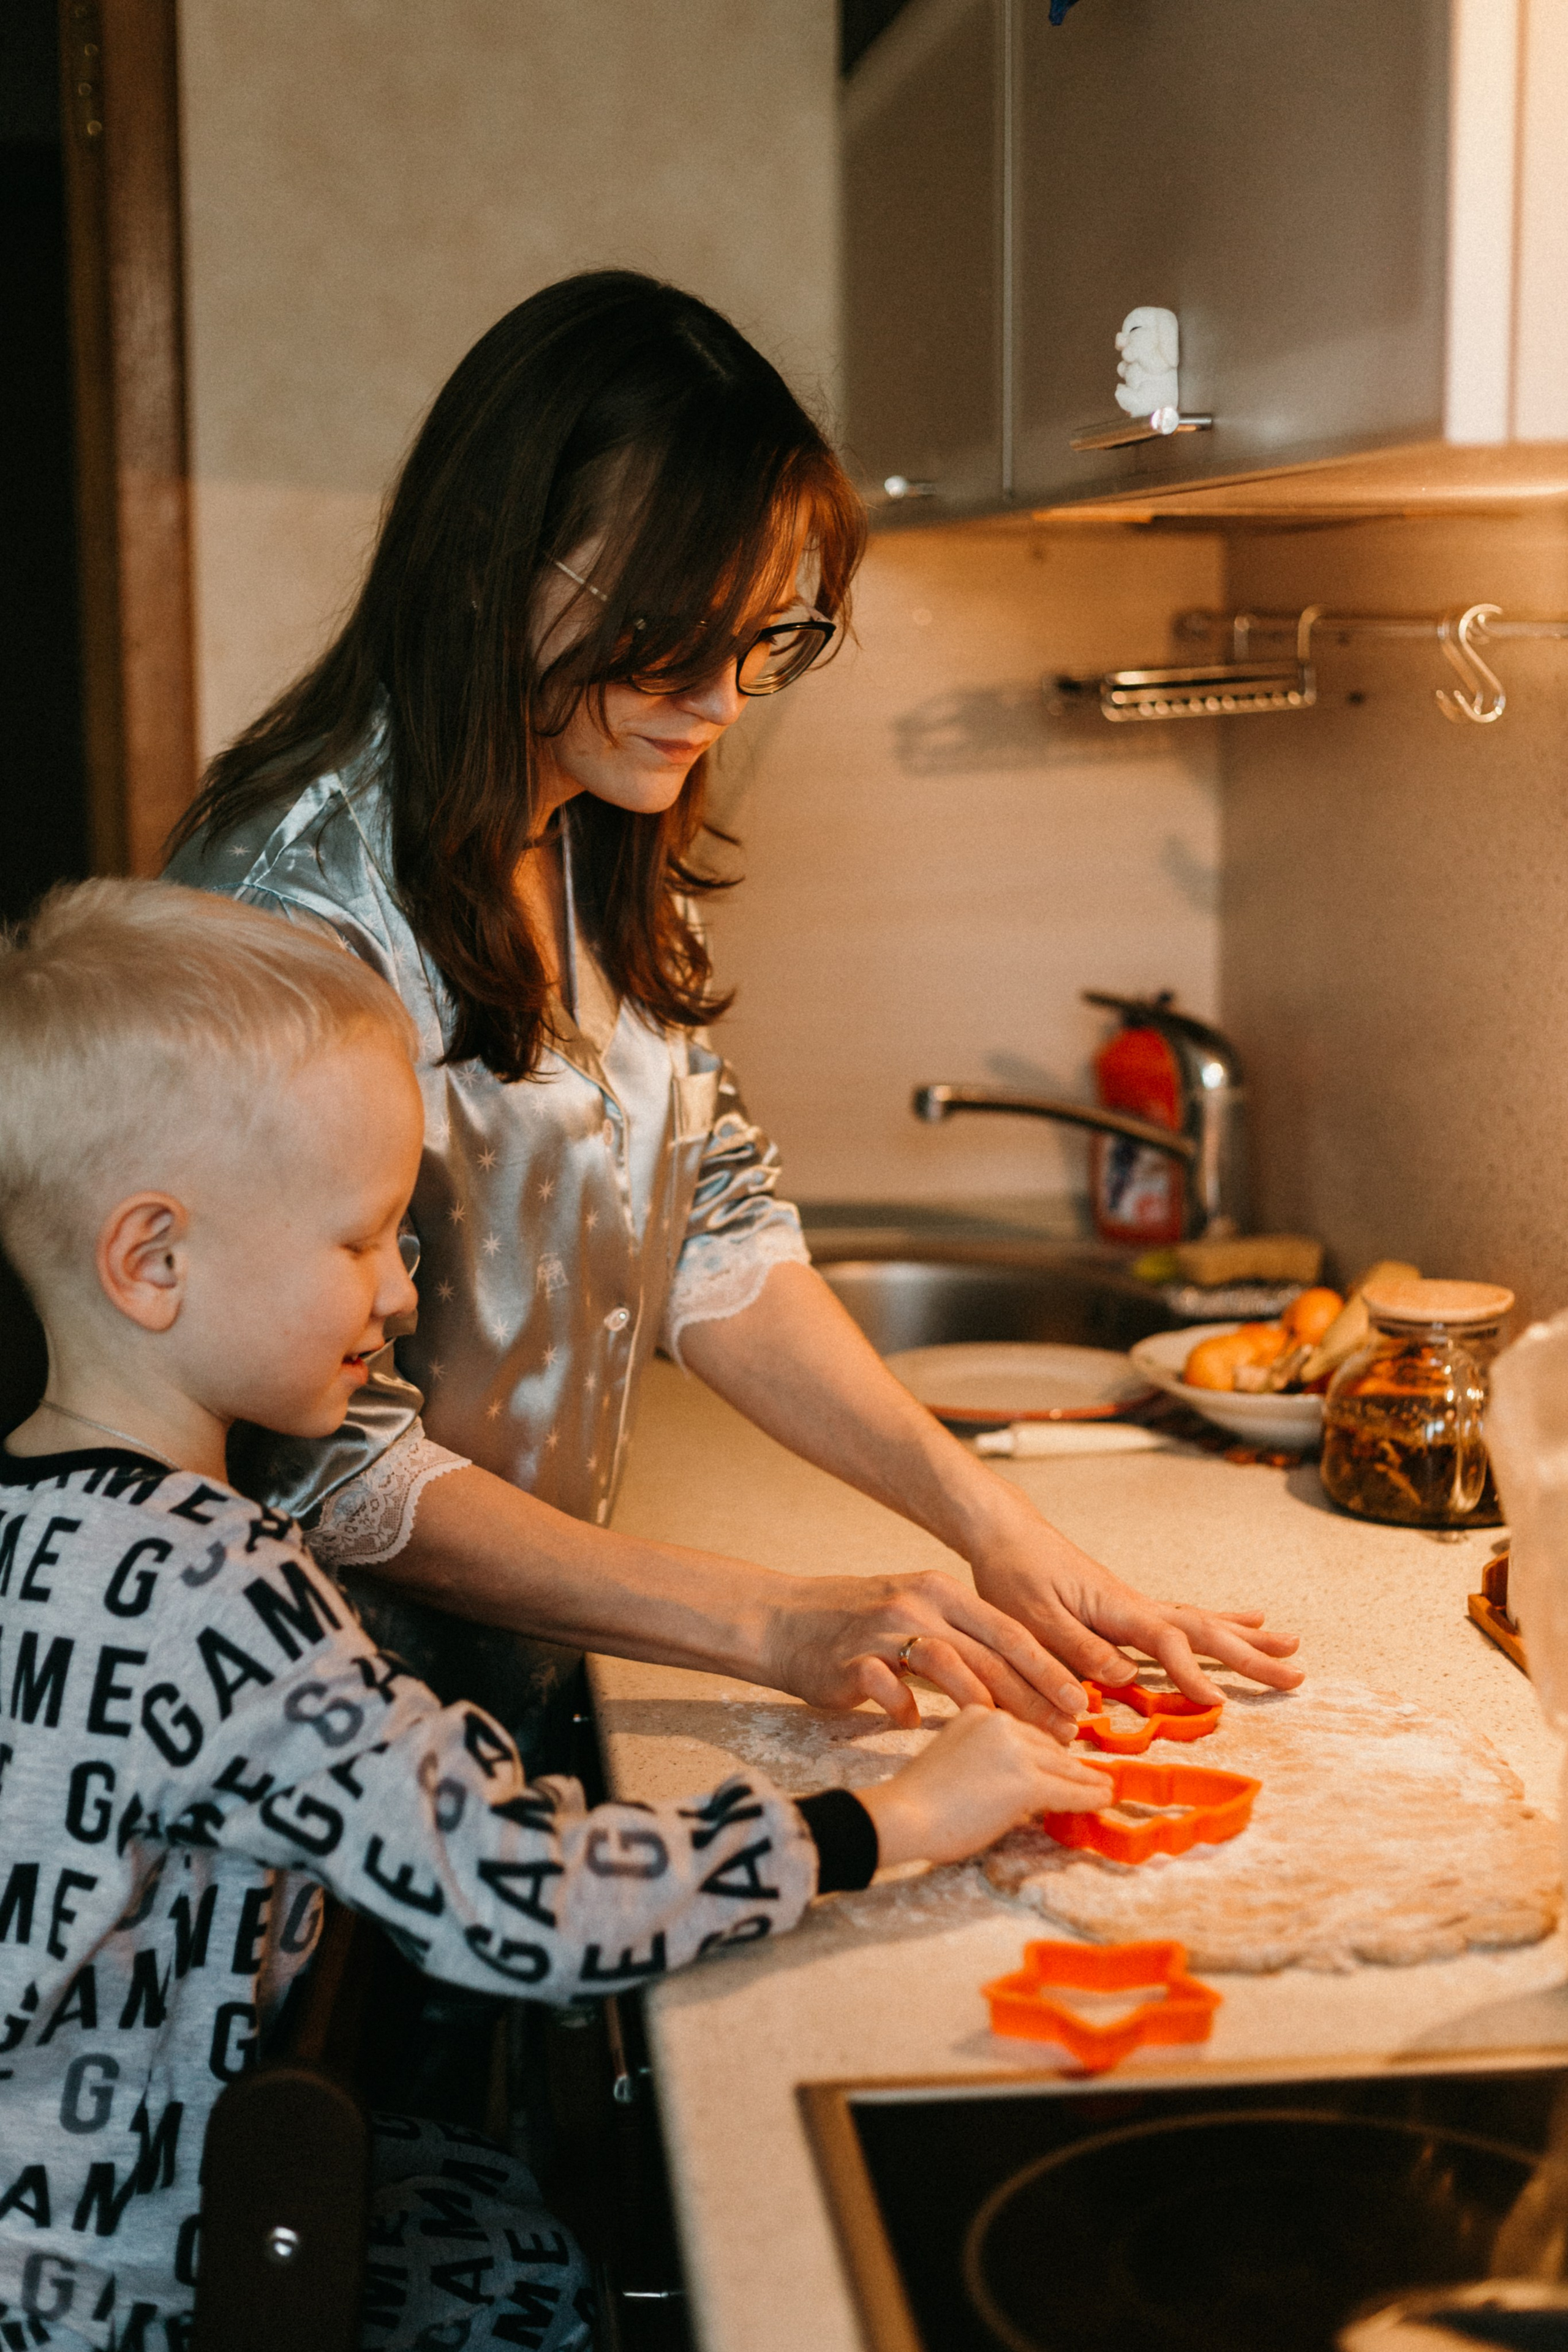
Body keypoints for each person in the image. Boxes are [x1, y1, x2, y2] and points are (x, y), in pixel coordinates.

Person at [165, 268, 1300, 1754]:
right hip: (306, 1730)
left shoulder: (590, 825)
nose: (721, 700)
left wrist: (999, 1531)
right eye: (667, 632)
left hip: (506, 1688)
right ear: (488, 562)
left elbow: (712, 1229)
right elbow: (316, 1454)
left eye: (767, 637)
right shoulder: (283, 909)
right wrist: (769, 1619)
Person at [0, 878, 1111, 2352]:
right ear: (154, 1261)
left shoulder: (39, 1526)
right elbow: (510, 1894)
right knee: (563, 2278)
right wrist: (887, 1821)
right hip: (136, 2300)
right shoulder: (215, 1591)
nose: (401, 1295)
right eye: (359, 1241)